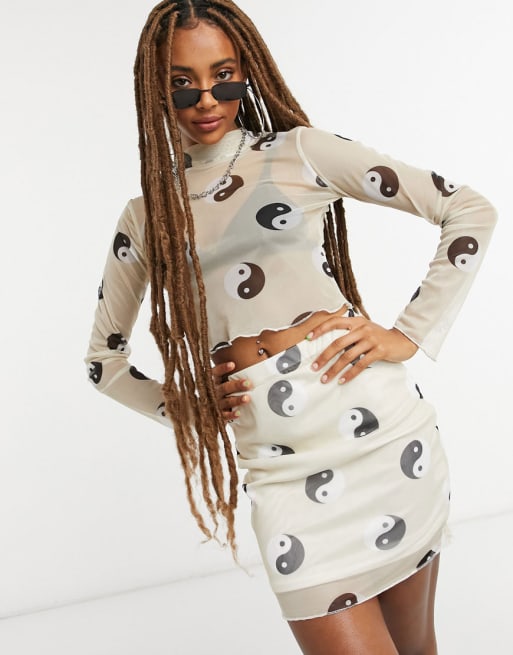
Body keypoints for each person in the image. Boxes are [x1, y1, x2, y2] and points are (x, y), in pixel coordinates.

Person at [85, 1, 497, 652]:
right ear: (155, 92)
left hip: (385, 441)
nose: (205, 99)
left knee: (417, 648)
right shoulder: (147, 216)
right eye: (181, 83)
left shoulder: (301, 152)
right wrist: (188, 408)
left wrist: (407, 333)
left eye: (222, 75)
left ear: (246, 72)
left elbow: (467, 210)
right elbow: (102, 363)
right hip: (282, 478)